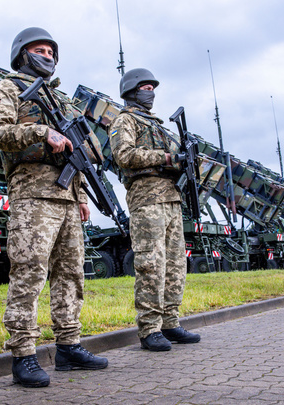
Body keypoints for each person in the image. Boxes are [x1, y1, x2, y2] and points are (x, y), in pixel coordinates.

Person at [0, 27, 108, 388]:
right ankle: (23, 355)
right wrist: (41, 132)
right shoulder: (5, 89)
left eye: (52, 52)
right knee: (29, 274)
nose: (47, 57)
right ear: (22, 54)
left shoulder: (63, 100)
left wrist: (82, 198)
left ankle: (69, 346)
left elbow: (83, 153)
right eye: (39, 50)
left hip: (68, 198)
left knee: (71, 276)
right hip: (33, 196)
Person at [109, 68, 201, 351]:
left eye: (152, 87)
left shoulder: (159, 125)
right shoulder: (124, 120)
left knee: (176, 265)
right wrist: (167, 157)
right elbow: (123, 155)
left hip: (171, 200)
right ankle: (149, 329)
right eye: (145, 87)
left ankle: (170, 322)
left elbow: (178, 160)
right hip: (147, 200)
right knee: (151, 263)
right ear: (132, 90)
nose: (151, 92)